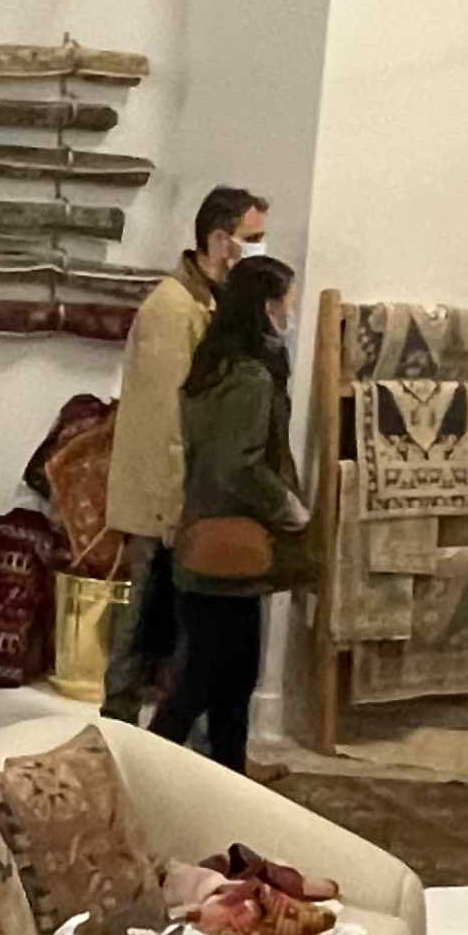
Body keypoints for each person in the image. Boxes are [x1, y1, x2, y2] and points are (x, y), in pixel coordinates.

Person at [105, 186, 272, 720]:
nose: (260, 247)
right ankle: (119, 734)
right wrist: (171, 507)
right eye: (254, 238)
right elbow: (165, 417)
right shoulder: (172, 309)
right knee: (144, 626)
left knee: (183, 632)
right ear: (221, 241)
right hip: (167, 501)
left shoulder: (212, 304)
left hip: (194, 498)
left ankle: (175, 741)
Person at [148, 255, 307, 775]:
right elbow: (236, 465)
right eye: (284, 303)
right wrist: (286, 507)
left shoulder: (211, 369)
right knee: (211, 687)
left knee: (217, 685)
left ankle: (224, 783)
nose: (289, 314)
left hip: (203, 539)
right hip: (232, 547)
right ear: (264, 306)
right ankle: (145, 774)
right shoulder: (250, 378)